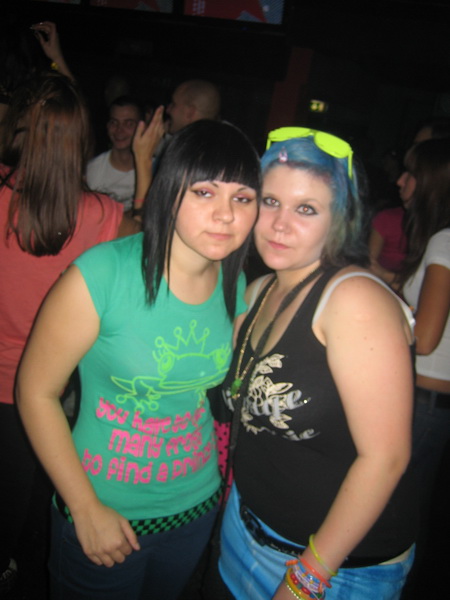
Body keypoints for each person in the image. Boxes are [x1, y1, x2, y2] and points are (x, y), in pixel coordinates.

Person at [15, 119, 261, 600]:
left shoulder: (234, 283)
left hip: (194, 510)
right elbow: (35, 391)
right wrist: (84, 507)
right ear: (170, 191)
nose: (226, 215)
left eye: (243, 198)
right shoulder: (102, 274)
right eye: (204, 192)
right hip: (103, 513)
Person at [218, 128, 417, 600]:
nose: (279, 225)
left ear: (338, 220)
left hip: (335, 569)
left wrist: (307, 578)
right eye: (270, 202)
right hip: (243, 529)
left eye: (306, 209)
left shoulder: (353, 300)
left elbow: (385, 458)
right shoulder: (258, 290)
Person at [0, 71, 138, 595]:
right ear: (82, 141)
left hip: (22, 387)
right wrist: (146, 161)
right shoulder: (101, 213)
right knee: (22, 494)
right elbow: (145, 244)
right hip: (50, 389)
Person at [396, 138, 450, 581]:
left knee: (398, 510)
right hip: (433, 405)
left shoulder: (444, 241)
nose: (400, 180)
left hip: (425, 403)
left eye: (411, 173)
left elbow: (426, 337)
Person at [86, 96, 143, 211]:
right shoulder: (93, 170)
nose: (119, 130)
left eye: (128, 124)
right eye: (114, 123)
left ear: (141, 127)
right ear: (107, 126)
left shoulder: (152, 168)